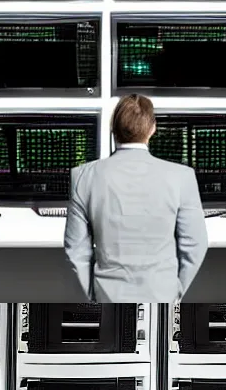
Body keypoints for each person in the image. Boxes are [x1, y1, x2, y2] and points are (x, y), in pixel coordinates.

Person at [64, 93, 208, 302]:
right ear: (152, 129)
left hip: (107, 296)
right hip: (162, 294)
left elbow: (75, 249)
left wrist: (94, 293)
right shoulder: (181, 177)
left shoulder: (83, 176)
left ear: (113, 128)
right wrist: (175, 291)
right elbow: (195, 244)